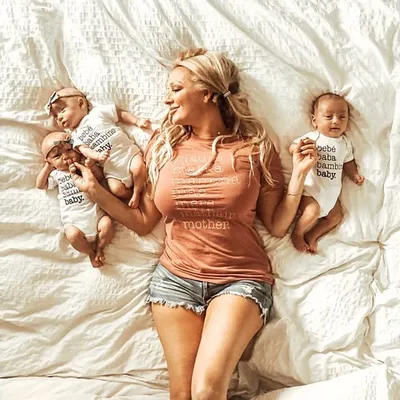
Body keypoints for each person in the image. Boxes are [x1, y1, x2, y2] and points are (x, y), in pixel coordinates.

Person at [68, 48, 318, 400]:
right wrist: (95, 191)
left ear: (207, 92)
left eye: (175, 88)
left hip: (239, 279)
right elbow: (143, 221)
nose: (166, 99)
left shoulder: (255, 148)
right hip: (174, 281)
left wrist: (299, 176)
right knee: (182, 395)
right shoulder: (163, 145)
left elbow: (276, 226)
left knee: (206, 391)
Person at [45, 87, 151, 208]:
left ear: (81, 103)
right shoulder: (74, 136)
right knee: (116, 190)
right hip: (112, 168)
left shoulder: (97, 113)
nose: (59, 117)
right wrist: (97, 156)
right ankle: (132, 196)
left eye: (62, 110)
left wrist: (137, 121)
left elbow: (120, 115)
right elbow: (84, 149)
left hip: (127, 153)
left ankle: (137, 192)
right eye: (55, 116)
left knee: (138, 168)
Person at [289, 93, 364, 254]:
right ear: (315, 121)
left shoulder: (345, 143)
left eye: (342, 117)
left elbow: (348, 162)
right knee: (312, 212)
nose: (336, 121)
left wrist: (354, 175)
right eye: (329, 117)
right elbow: (292, 147)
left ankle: (312, 235)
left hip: (331, 195)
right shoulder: (313, 137)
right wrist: (299, 148)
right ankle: (297, 233)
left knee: (336, 217)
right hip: (311, 191)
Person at [36, 131, 114, 268]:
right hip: (75, 222)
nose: (66, 156)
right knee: (72, 236)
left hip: (97, 215)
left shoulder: (83, 165)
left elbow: (100, 177)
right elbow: (40, 185)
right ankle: (90, 252)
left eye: (69, 149)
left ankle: (100, 248)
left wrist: (91, 166)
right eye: (57, 156)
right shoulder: (57, 174)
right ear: (50, 162)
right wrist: (47, 168)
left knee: (107, 224)